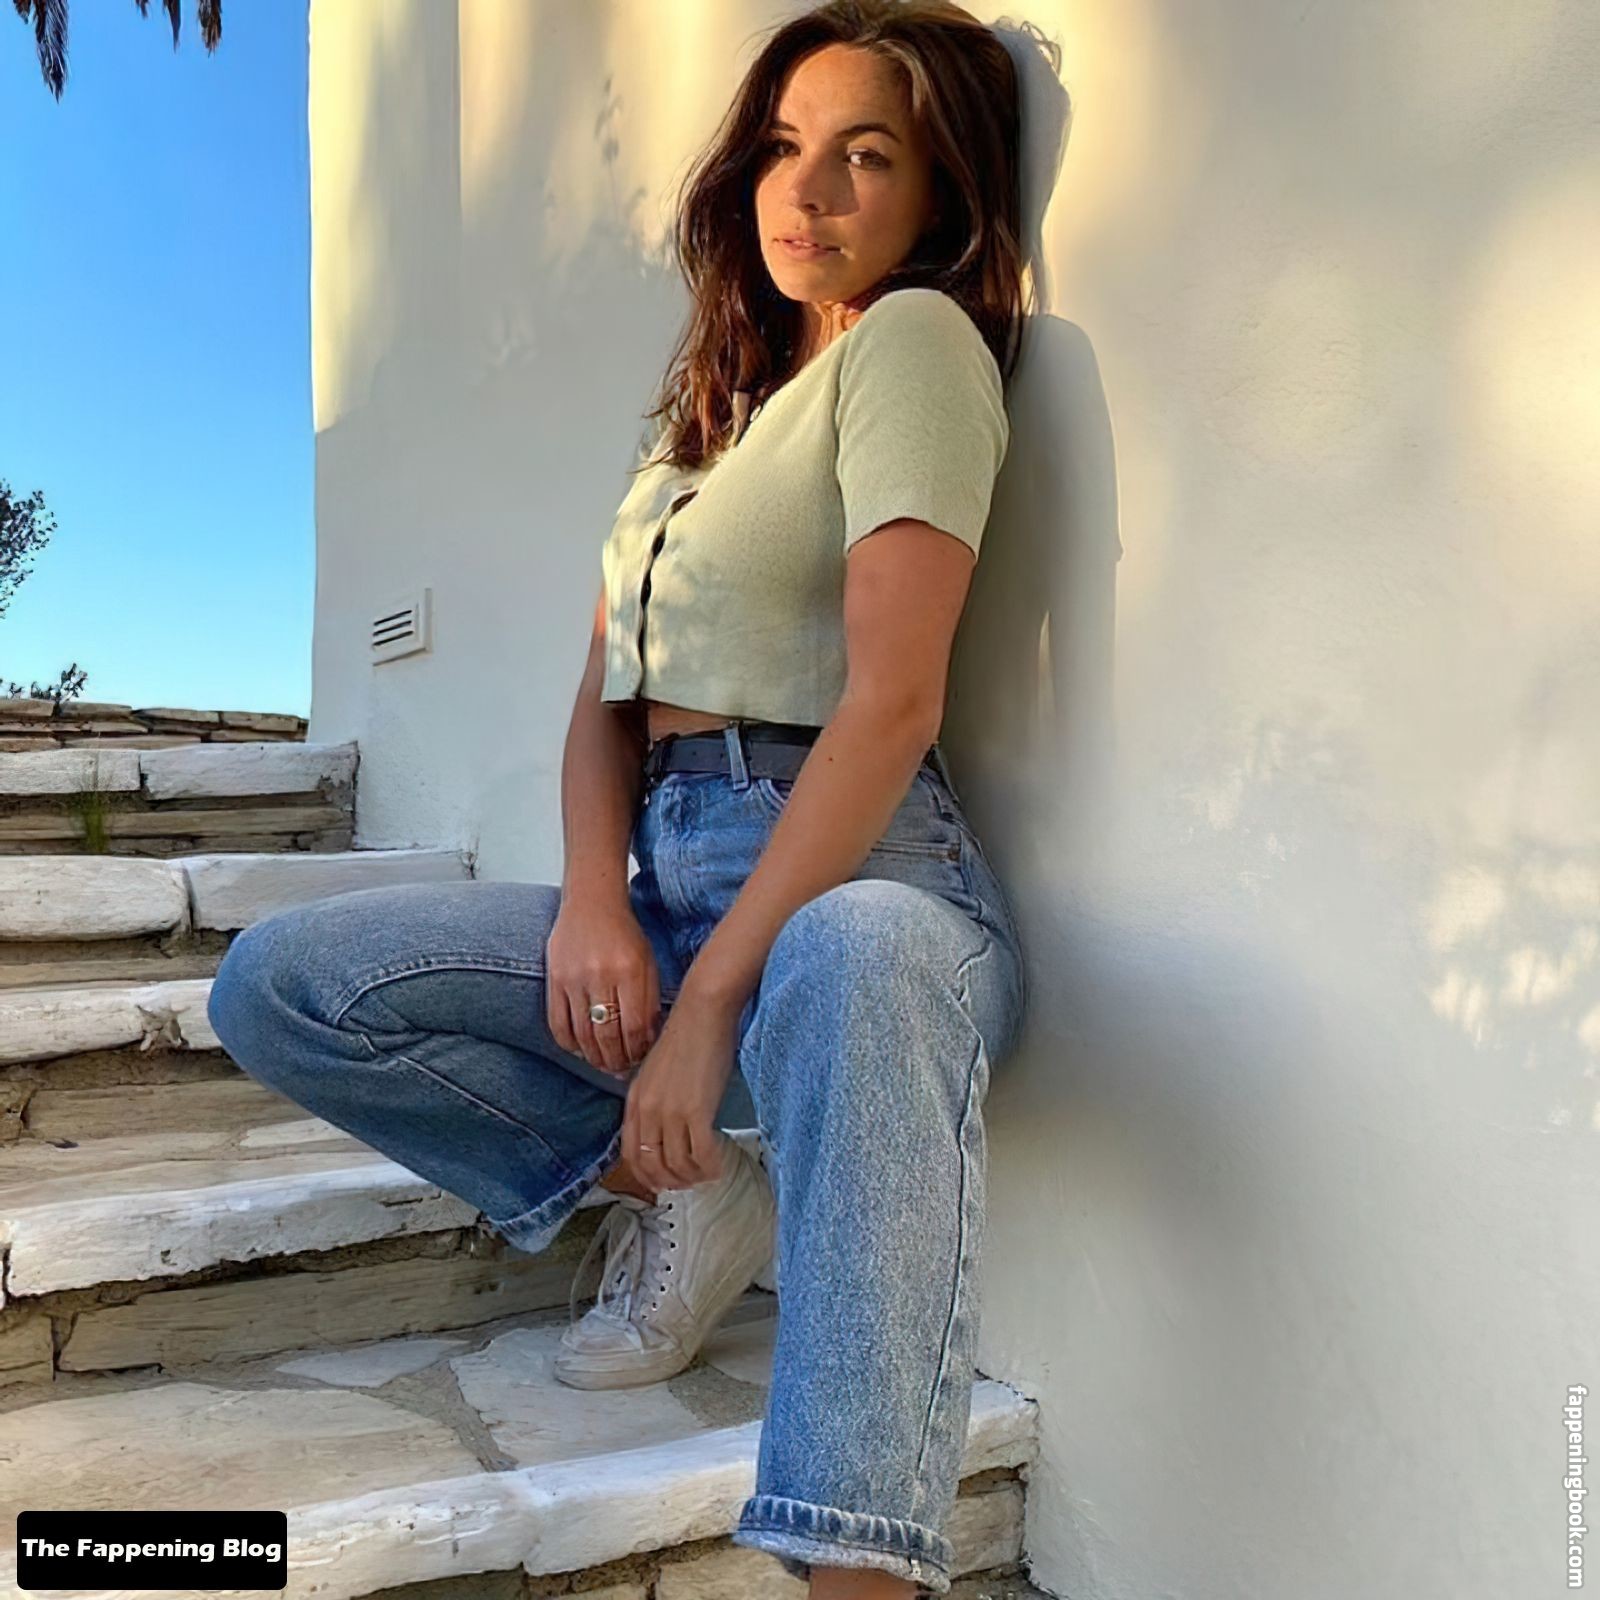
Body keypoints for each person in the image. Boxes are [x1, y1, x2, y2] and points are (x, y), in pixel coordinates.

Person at [206, 2, 1028, 1594]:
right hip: (666, 868)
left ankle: (855, 1571)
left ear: (942, 192)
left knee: (851, 953)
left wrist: (710, 1001)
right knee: (284, 983)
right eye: (784, 147)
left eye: (868, 156)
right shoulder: (693, 441)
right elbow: (604, 706)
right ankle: (686, 1191)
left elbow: (894, 701)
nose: (811, 191)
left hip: (871, 879)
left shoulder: (916, 345)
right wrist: (596, 900)